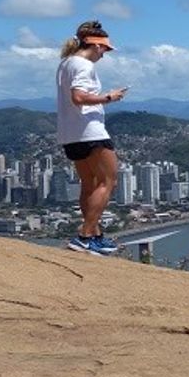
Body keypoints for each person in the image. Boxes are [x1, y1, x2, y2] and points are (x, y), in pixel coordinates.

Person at [56, 20, 128, 255]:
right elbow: (79, 97)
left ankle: (95, 236)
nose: (104, 55)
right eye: (105, 50)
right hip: (90, 132)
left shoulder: (65, 64)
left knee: (90, 184)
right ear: (96, 45)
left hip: (70, 133)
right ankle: (84, 236)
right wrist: (110, 97)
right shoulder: (84, 66)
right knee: (109, 182)